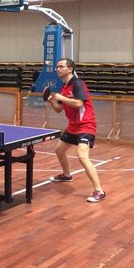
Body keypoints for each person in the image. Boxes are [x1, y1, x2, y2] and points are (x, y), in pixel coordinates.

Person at [47, 58, 106, 203]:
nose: (57, 69)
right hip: (73, 126)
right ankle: (67, 175)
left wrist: (60, 97)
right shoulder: (64, 87)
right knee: (59, 150)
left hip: (86, 125)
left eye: (61, 66)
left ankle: (99, 191)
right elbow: (59, 109)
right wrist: (51, 100)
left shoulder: (77, 83)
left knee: (82, 156)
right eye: (57, 67)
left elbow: (79, 103)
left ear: (70, 69)